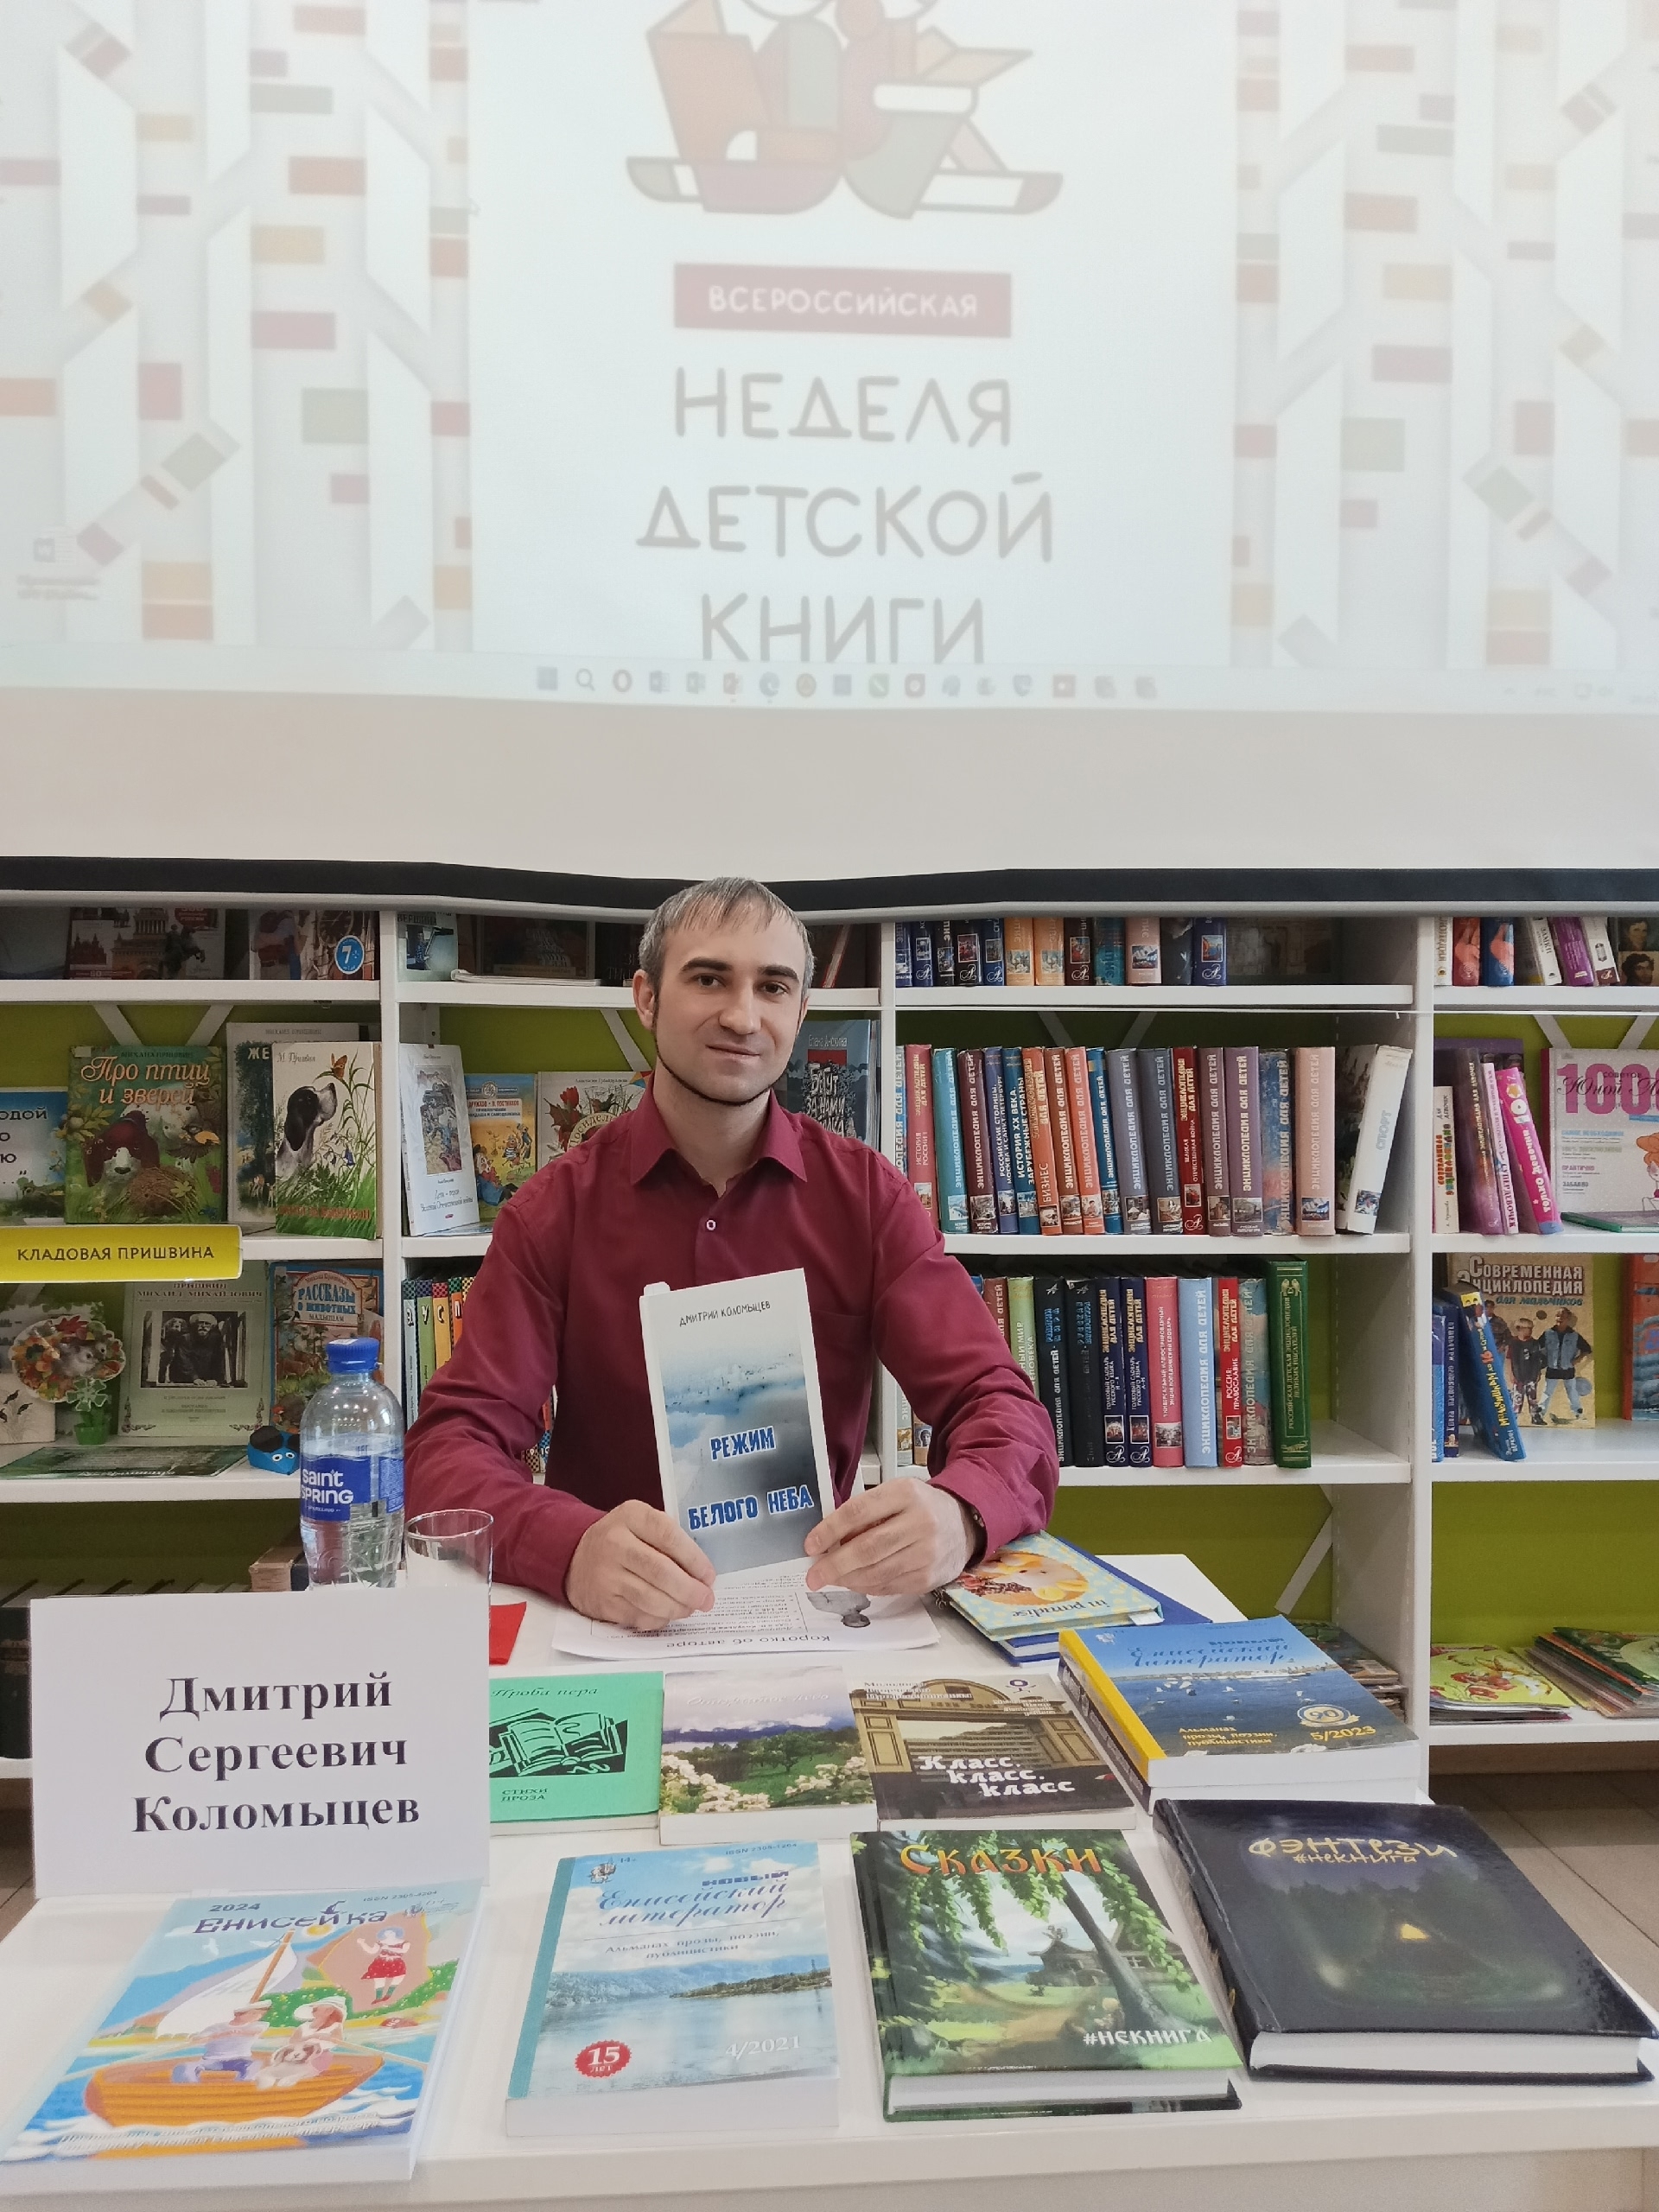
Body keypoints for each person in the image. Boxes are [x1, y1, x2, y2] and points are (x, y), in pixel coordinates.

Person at [406, 877, 1056, 1625]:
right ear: (647, 998)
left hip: (812, 1618)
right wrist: (569, 1547)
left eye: (772, 987)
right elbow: (449, 1449)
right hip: (610, 1627)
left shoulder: (868, 1200)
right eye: (709, 979)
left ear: (801, 1012)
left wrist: (960, 1512)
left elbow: (1002, 1408)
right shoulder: (553, 1212)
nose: (743, 1017)